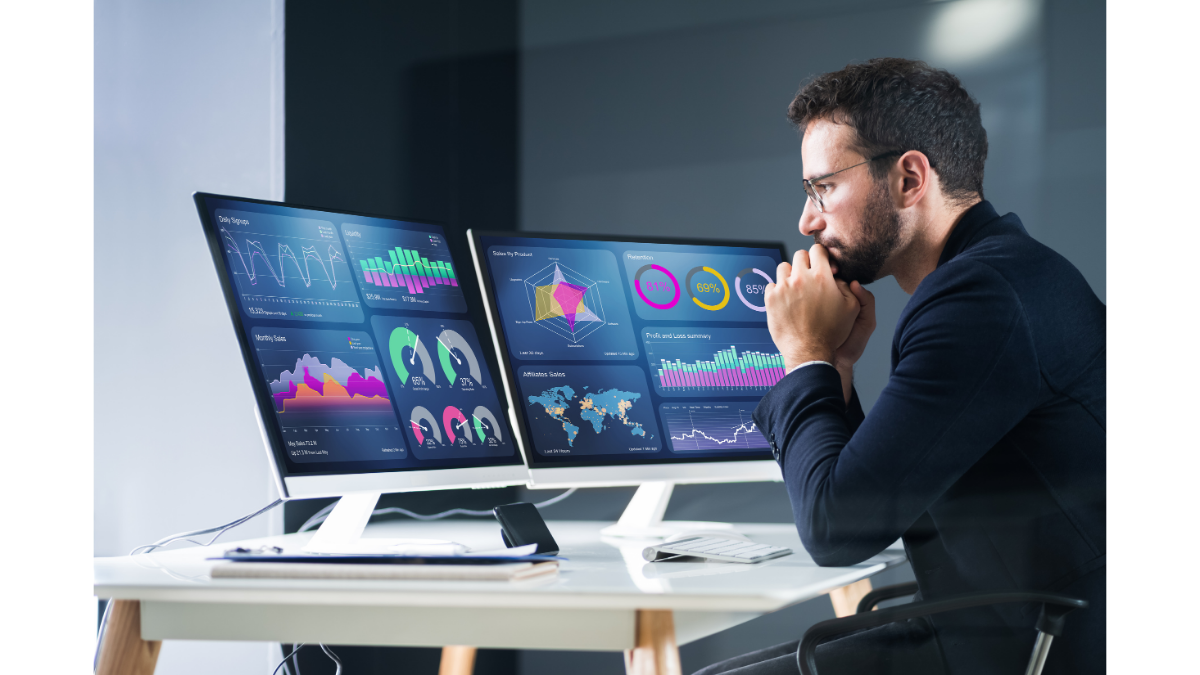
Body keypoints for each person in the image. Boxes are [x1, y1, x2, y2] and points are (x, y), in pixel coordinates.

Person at [697, 58, 1107, 675]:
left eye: (823, 188)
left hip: (1024, 645)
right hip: (1019, 622)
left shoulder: (979, 300)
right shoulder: (1005, 276)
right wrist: (835, 364)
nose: (807, 221)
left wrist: (801, 354)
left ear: (910, 178)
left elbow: (837, 530)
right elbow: (884, 496)